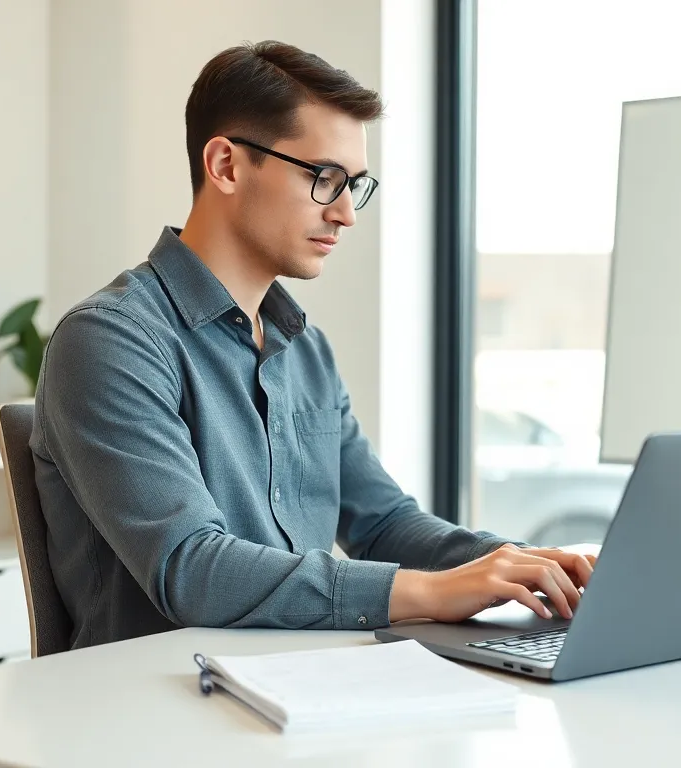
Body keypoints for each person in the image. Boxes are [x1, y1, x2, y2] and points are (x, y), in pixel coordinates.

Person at [32, 40, 594, 651]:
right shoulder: (110, 340)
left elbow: (384, 523)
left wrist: (519, 564)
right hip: (158, 696)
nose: (347, 213)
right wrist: (432, 592)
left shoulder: (306, 350)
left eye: (355, 185)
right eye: (325, 179)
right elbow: (191, 569)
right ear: (225, 165)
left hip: (301, 679)